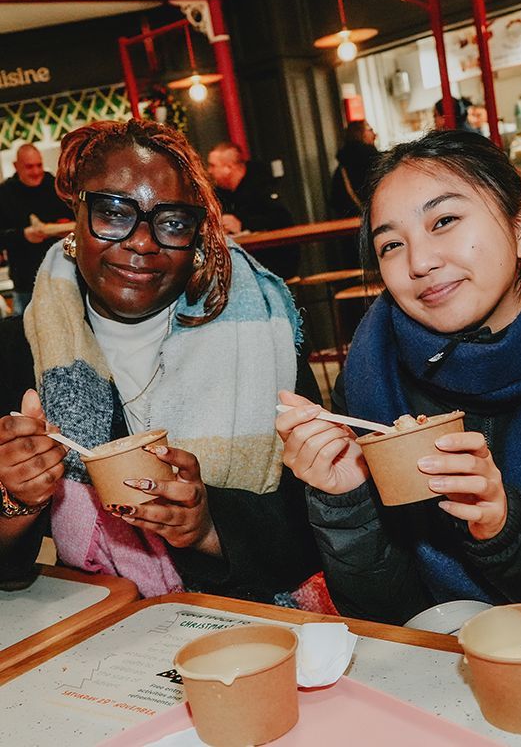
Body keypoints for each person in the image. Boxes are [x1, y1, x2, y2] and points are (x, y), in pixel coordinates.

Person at [276, 129, 521, 630]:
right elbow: (383, 613)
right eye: (390, 245)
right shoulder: (371, 371)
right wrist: (347, 503)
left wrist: (505, 526)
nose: (419, 262)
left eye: (444, 221)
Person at [0, 119, 329, 611]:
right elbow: (7, 569)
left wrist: (209, 528)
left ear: (196, 238)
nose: (143, 242)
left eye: (172, 222)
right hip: (102, 629)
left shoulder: (264, 336)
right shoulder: (20, 350)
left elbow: (316, 528)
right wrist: (15, 500)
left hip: (247, 625)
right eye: (114, 213)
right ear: (76, 216)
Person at [207, 141, 299, 281]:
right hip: (246, 261)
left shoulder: (261, 186)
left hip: (273, 261)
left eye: (213, 166)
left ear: (229, 168)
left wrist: (242, 224)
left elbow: (283, 218)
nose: (209, 171)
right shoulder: (220, 193)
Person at [0, 144, 73, 315]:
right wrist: (23, 235)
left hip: (63, 277)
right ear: (16, 166)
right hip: (26, 283)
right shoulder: (4, 194)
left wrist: (67, 227)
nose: (36, 171)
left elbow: (77, 220)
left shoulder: (56, 186)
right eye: (29, 166)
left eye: (38, 165)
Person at [330, 120, 378, 219]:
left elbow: (337, 200)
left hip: (351, 220)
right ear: (360, 134)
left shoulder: (342, 166)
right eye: (370, 130)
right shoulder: (374, 161)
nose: (375, 134)